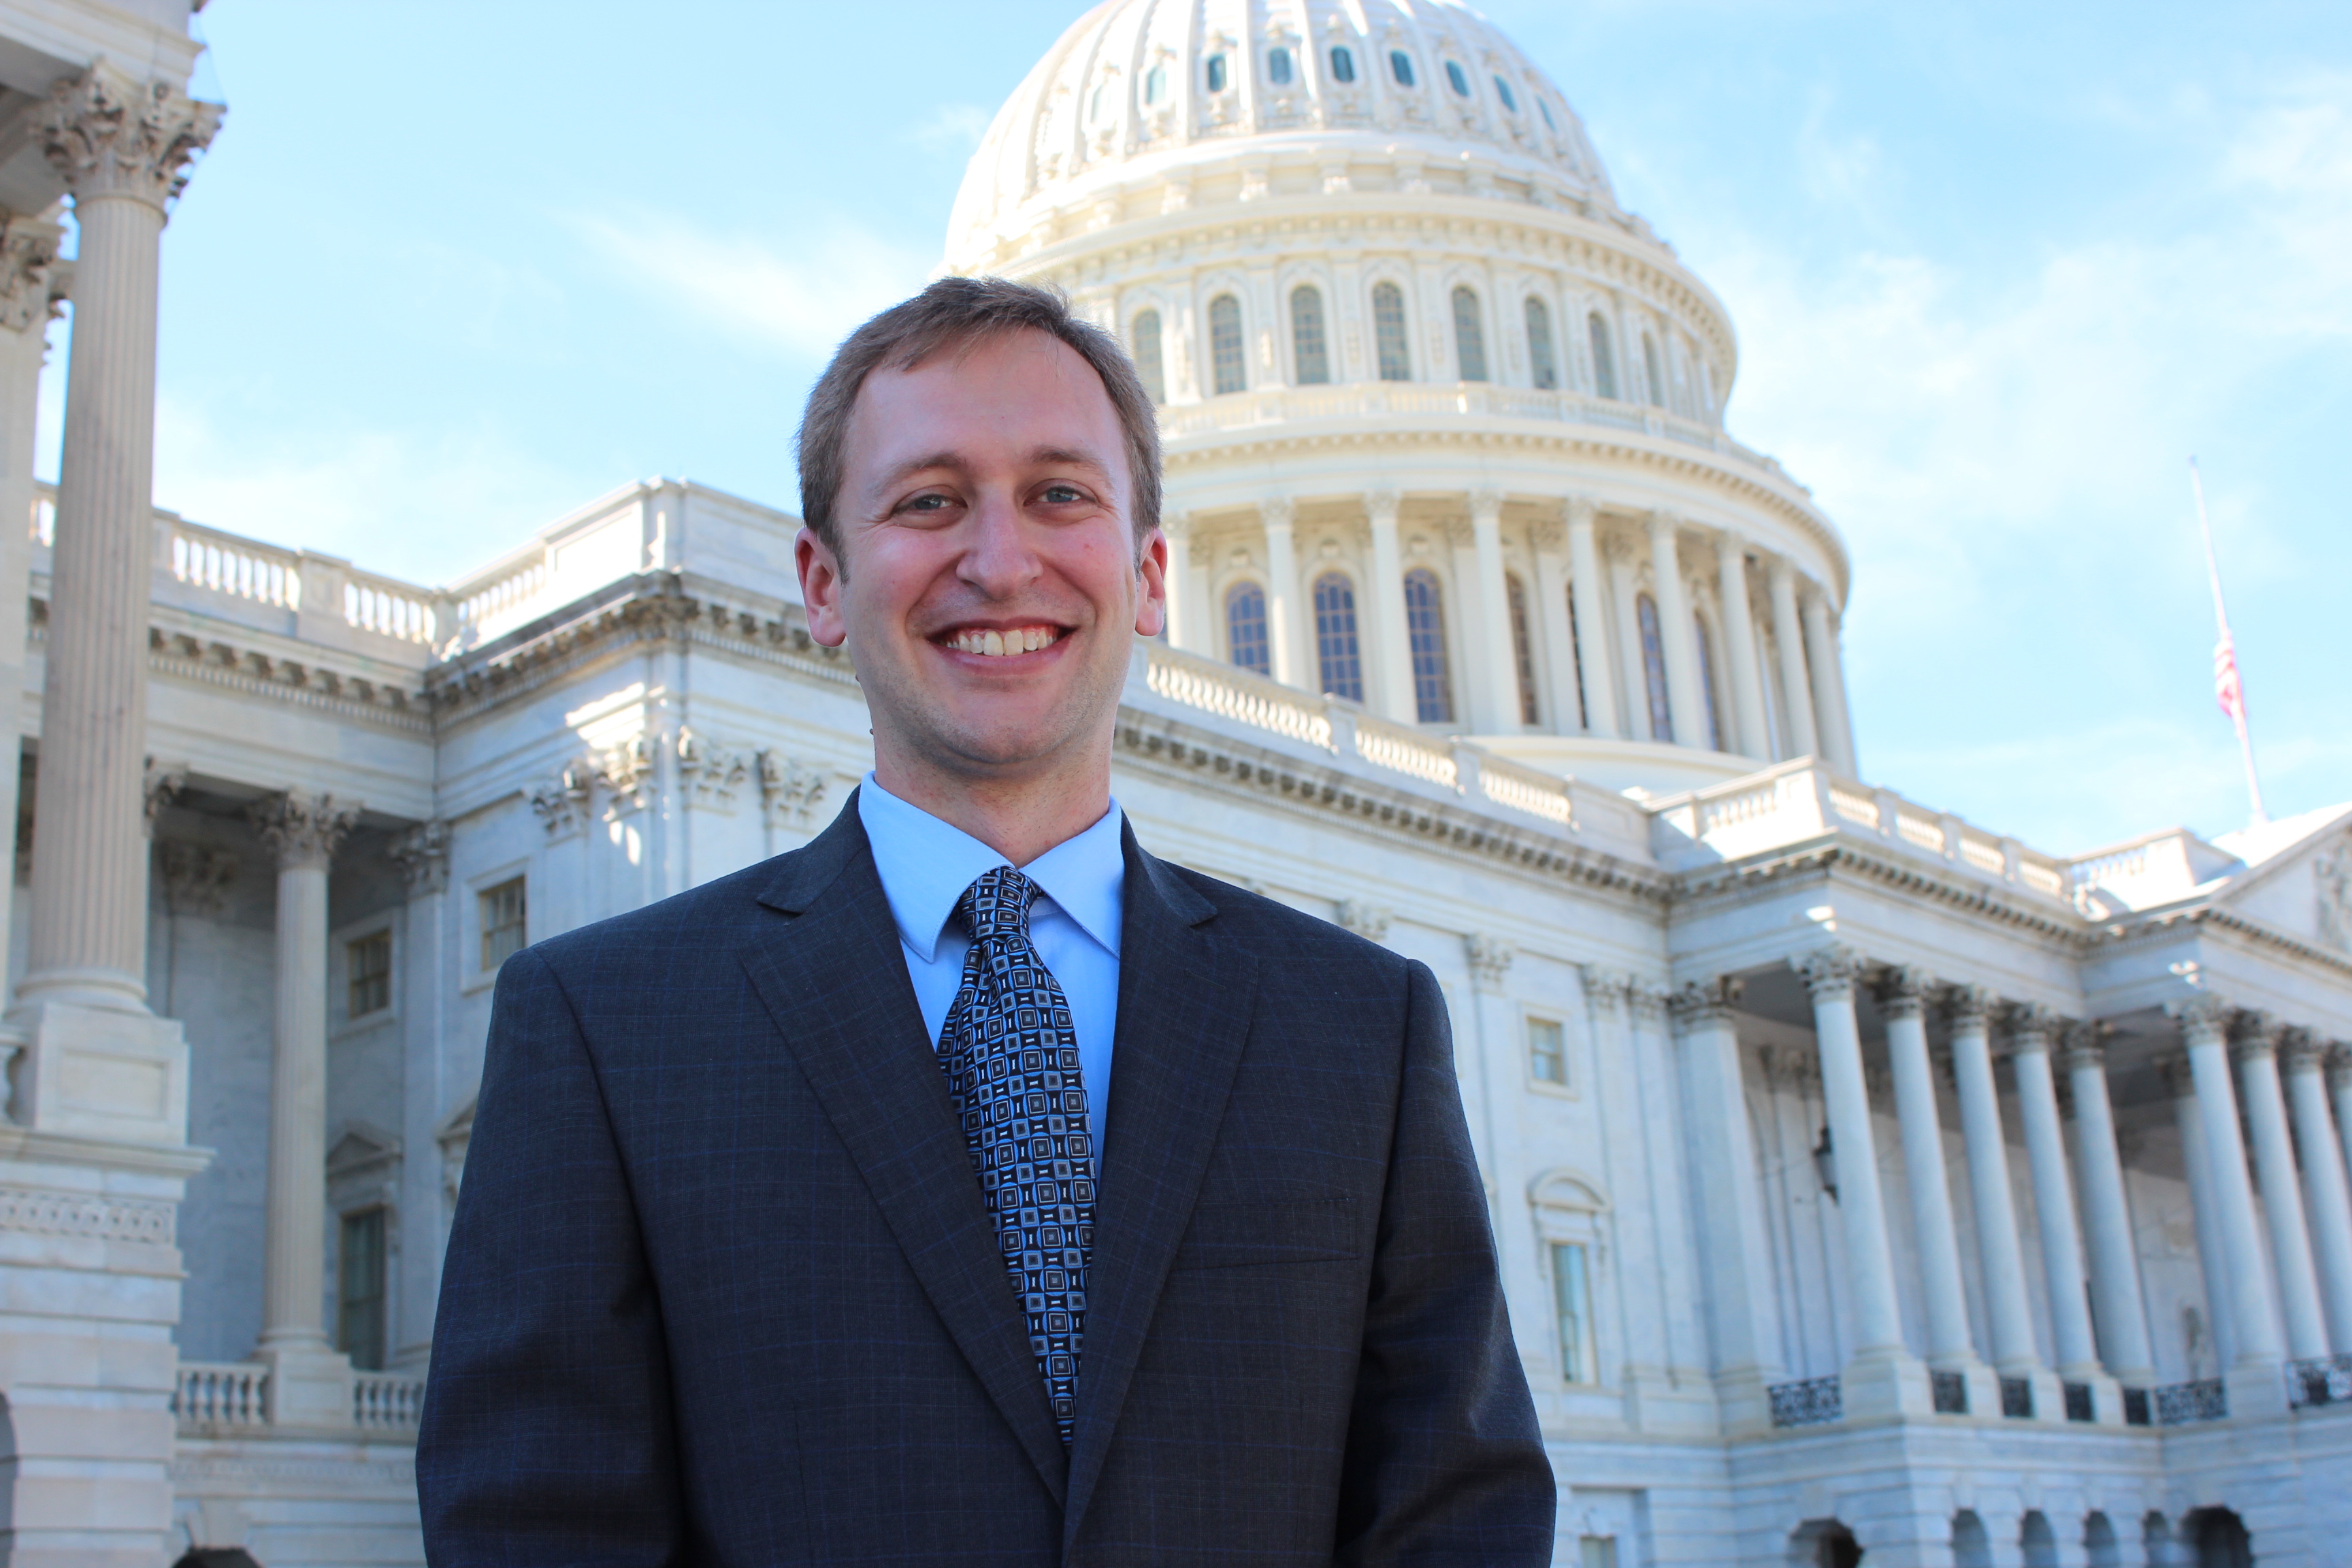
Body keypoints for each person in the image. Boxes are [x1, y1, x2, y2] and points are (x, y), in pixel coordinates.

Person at [416, 276, 1554, 1565]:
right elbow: (537, 1533)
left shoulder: (1360, 1028)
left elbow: (1456, 1516)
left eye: (1061, 493)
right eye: (928, 501)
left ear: (1150, 572)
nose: (1000, 560)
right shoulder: (605, 1031)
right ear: (823, 584)